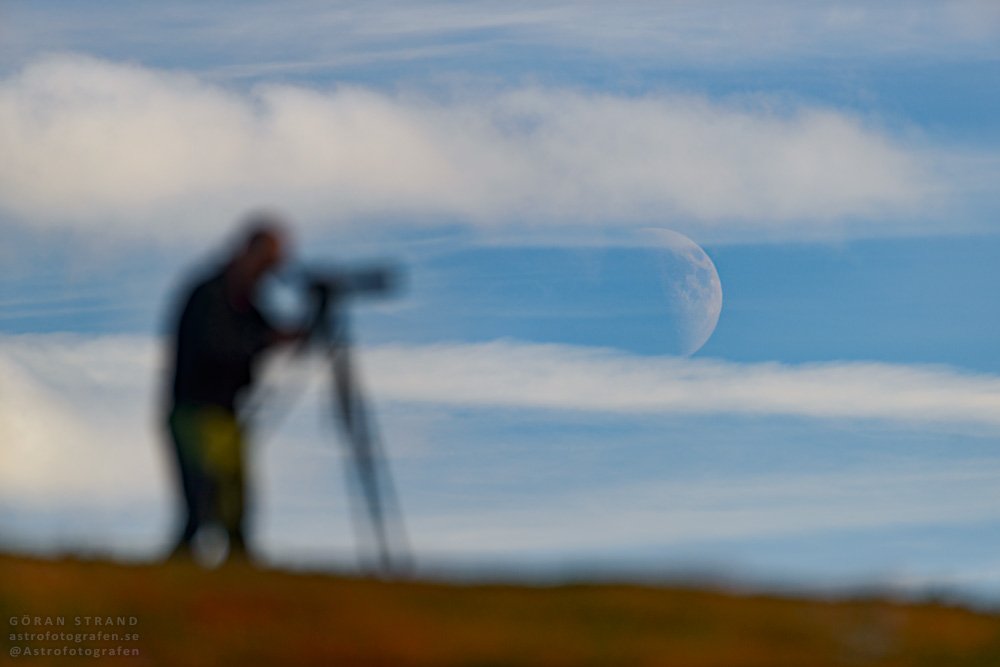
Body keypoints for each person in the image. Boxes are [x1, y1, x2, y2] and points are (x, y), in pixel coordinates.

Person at [164, 212, 300, 562]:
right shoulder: (211, 295)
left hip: (225, 414)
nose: (270, 274)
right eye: (269, 263)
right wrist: (267, 340)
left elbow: (261, 334)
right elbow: (217, 347)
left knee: (234, 507)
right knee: (203, 504)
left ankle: (233, 572)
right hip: (197, 412)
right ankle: (189, 573)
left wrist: (287, 335)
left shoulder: (243, 300)